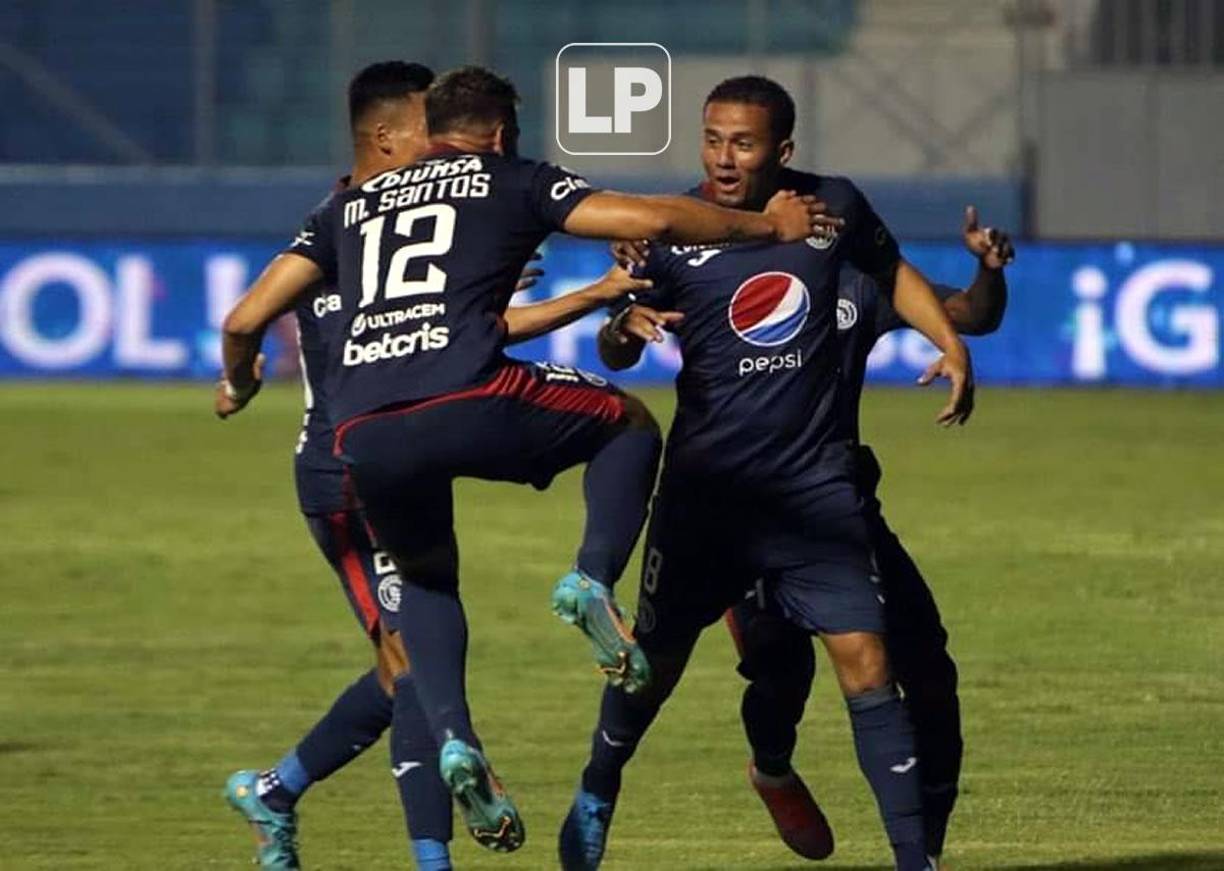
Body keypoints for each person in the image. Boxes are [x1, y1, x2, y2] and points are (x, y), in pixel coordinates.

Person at [214, 65, 834, 854]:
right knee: (627, 422)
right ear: (502, 134)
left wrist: (239, 381)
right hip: (463, 398)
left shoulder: (345, 209)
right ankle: (590, 576)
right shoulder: (509, 177)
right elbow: (653, 215)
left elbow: (243, 318)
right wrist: (766, 230)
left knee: (428, 586)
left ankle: (454, 742)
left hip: (363, 434)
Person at [219, 61, 654, 870]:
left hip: (380, 438)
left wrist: (581, 295)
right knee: (413, 656)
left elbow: (457, 339)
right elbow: (248, 319)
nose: (451, 149)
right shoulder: (347, 224)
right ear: (388, 138)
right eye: (430, 128)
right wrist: (239, 376)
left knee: (409, 654)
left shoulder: (383, 220)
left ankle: (280, 790)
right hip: (341, 470)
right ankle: (406, 843)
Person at [561, 75, 974, 871]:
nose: (723, 156)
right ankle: (597, 788)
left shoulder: (836, 210)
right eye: (713, 138)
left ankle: (916, 861)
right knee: (654, 667)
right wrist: (625, 325)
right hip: (706, 498)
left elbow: (892, 276)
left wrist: (950, 345)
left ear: (781, 151)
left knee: (867, 660)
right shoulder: (674, 233)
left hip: (813, 491)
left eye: (742, 142)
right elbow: (615, 341)